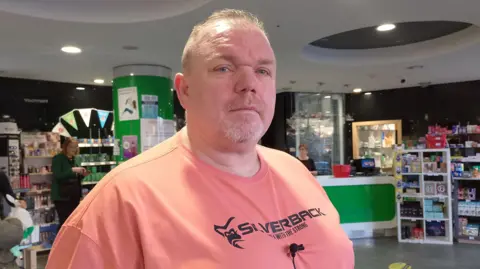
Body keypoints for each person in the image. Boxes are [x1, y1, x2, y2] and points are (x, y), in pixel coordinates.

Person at [46, 9, 354, 269]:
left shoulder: (295, 171)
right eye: (224, 67)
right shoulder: (121, 201)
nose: (249, 84)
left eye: (262, 71)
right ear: (185, 91)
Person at [51, 138, 87, 231]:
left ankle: (69, 242)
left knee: (73, 221)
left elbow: (75, 177)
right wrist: (72, 170)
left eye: (75, 147)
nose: (73, 149)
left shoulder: (75, 159)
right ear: (65, 147)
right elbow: (58, 175)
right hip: (62, 196)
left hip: (73, 195)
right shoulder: (58, 158)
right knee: (64, 221)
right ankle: (60, 243)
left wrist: (82, 174)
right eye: (71, 147)